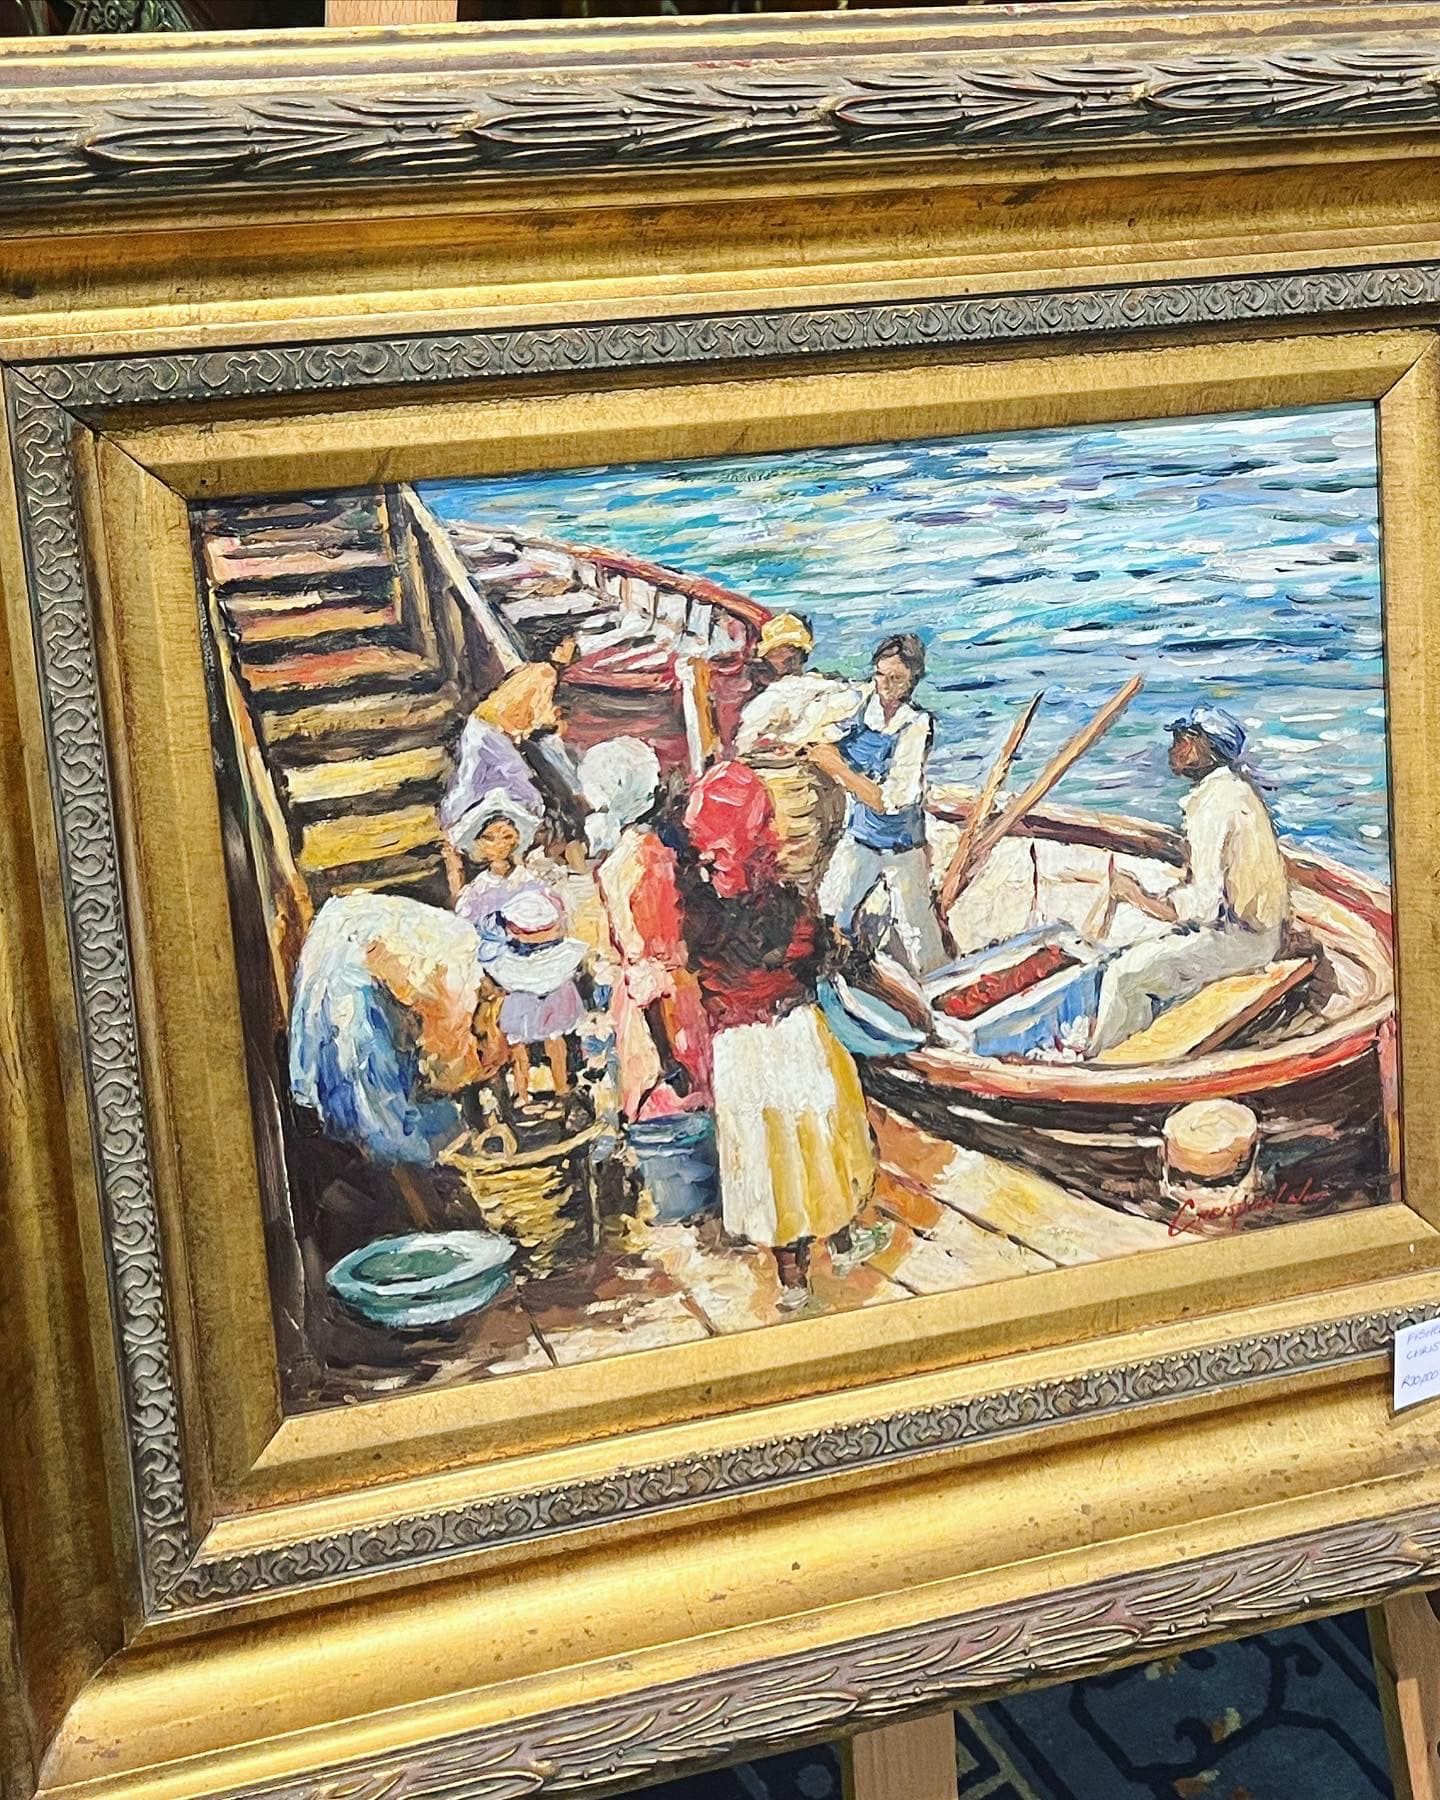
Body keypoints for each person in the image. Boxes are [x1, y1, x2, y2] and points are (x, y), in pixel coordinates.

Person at [682, 761, 882, 1310]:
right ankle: (843, 1242)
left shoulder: (697, 910)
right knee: (822, 1141)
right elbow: (814, 960)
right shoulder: (787, 904)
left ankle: (794, 1282)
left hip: (737, 1048)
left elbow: (703, 971)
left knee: (770, 1163)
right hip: (790, 1035)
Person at [288, 890, 504, 1222]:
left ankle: (425, 1192)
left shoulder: (473, 978)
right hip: (350, 970)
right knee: (379, 1119)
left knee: (409, 1107)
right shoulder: (452, 999)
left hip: (371, 951)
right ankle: (422, 1214)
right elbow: (443, 1054)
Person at [1089, 705, 1291, 1055]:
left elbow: (1205, 906)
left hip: (1244, 942)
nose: (1172, 750)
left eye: (1179, 741)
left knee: (1124, 976)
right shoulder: (1236, 791)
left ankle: (1109, 1059)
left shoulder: (1213, 806)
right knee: (1147, 949)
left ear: (1202, 747)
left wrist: (1138, 897)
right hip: (1260, 931)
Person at [581, 737, 710, 1120]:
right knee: (686, 1096)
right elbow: (663, 938)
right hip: (667, 991)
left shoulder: (614, 862)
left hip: (634, 990)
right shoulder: (652, 857)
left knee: (643, 1097)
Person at [813, 632, 948, 977]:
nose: (885, 686)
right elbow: (820, 742)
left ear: (912, 681)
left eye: (896, 678)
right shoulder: (859, 706)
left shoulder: (916, 725)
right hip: (860, 836)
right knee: (830, 912)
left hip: (903, 846)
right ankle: (837, 977)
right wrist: (830, 757)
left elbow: (892, 799)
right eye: (880, 675)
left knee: (918, 934)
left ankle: (936, 990)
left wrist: (840, 769)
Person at [439, 626, 580, 895]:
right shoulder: (546, 673)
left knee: (473, 781)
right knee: (521, 787)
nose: (570, 650)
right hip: (494, 733)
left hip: (481, 726)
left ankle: (453, 827)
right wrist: (558, 722)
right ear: (553, 649)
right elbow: (537, 718)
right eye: (566, 645)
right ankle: (511, 852)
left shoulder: (528, 668)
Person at [734, 613, 859, 890]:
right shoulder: (832, 689)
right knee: (815, 862)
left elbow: (744, 744)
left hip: (787, 791)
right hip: (823, 787)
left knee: (792, 864)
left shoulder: (772, 698)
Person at [487, 888, 589, 1107]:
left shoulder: (510, 962)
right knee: (548, 1040)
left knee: (524, 1044)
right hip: (540, 991)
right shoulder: (557, 965)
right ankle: (552, 1089)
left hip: (525, 994)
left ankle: (526, 1094)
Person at [451, 787, 546, 946]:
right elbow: (465, 920)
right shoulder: (480, 887)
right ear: (478, 844)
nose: (500, 845)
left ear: (516, 839)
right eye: (489, 838)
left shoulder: (527, 879)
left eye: (507, 836)